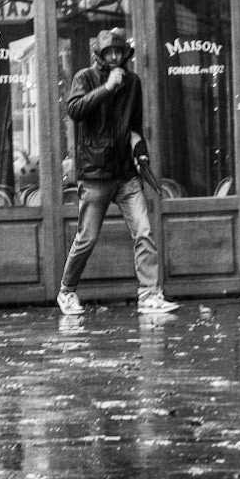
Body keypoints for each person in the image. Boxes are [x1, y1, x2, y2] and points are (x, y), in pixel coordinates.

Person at [57, 26, 177, 316]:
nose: (113, 56)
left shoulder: (133, 82)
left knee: (144, 232)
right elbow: (74, 110)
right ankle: (66, 292)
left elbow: (134, 125)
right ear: (99, 53)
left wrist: (140, 150)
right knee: (87, 238)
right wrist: (107, 88)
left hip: (126, 175)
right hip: (95, 174)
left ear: (125, 53)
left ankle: (149, 294)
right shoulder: (84, 77)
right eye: (108, 51)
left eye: (118, 51)